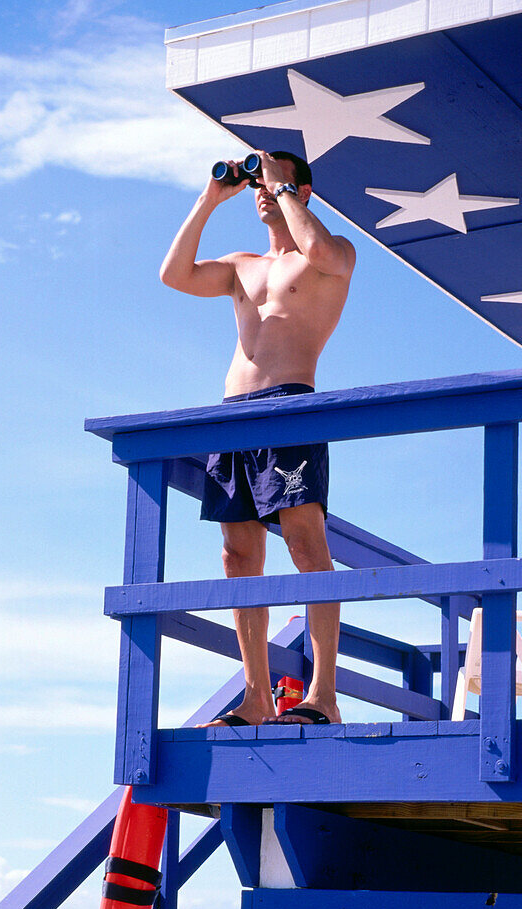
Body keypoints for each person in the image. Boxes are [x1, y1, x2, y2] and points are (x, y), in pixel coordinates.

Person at [160, 149, 356, 728]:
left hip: (291, 405)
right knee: (238, 556)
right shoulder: (241, 265)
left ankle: (322, 697)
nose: (265, 191)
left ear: (305, 192)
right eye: (261, 186)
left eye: (278, 184)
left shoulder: (331, 255)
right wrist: (211, 197)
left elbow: (319, 249)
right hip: (234, 415)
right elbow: (174, 275)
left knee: (304, 546)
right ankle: (255, 696)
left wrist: (285, 186)